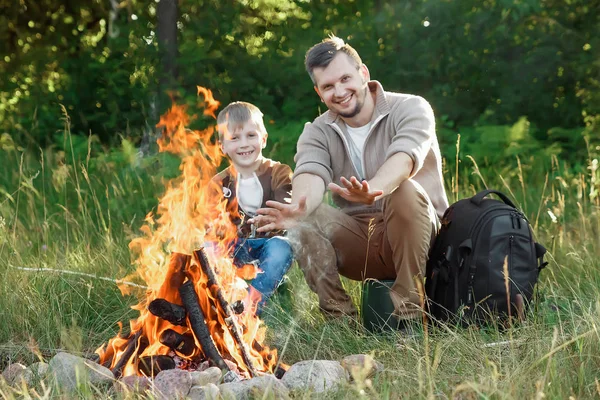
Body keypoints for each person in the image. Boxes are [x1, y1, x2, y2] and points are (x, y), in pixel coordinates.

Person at [249, 36, 449, 326]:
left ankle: (410, 317)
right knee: (303, 216)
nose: (340, 91)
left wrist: (375, 188)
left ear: (364, 74)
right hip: (360, 241)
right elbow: (310, 172)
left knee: (403, 189)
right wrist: (298, 207)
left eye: (345, 79)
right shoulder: (318, 131)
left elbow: (405, 157)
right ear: (319, 93)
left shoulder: (410, 107)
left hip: (420, 238)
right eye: (328, 86)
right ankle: (340, 319)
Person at [212, 101, 294, 314]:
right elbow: (210, 221)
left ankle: (249, 308)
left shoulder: (279, 172)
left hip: (268, 243)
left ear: (263, 139)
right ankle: (225, 298)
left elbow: (286, 204)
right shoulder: (219, 183)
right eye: (234, 138)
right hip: (235, 246)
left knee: (282, 248)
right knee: (208, 248)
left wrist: (274, 216)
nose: (244, 144)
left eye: (251, 135)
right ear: (222, 146)